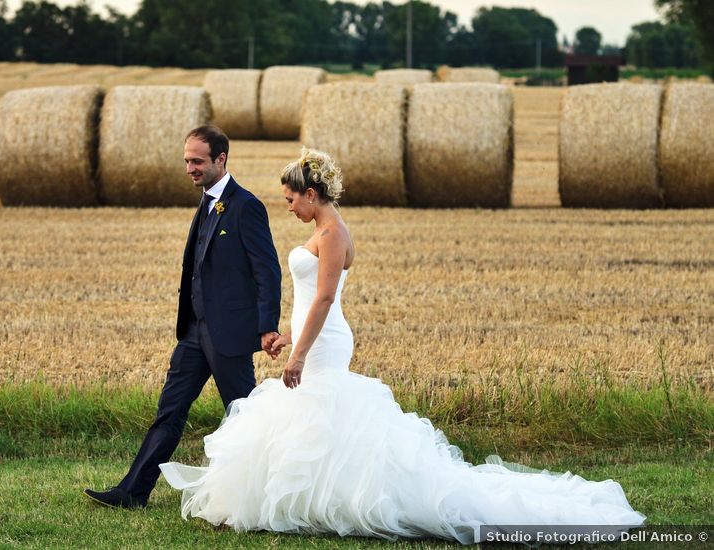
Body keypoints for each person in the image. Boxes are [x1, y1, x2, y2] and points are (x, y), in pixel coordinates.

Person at [158, 148, 645, 543]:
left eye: (291, 200)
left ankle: (318, 500)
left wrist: (301, 352)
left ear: (311, 193)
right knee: (309, 417)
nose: (288, 208)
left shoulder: (331, 234)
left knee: (313, 411)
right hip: (315, 332)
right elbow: (313, 297)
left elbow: (326, 296)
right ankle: (302, 500)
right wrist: (288, 333)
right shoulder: (328, 228)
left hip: (324, 339)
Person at [84, 125, 282, 509]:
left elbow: (267, 270)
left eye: (197, 161)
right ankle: (132, 492)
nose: (189, 168)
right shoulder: (206, 201)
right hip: (193, 333)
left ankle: (271, 493)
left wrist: (267, 325)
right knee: (169, 411)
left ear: (221, 160)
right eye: (187, 161)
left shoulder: (245, 206)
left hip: (228, 334)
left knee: (243, 415)